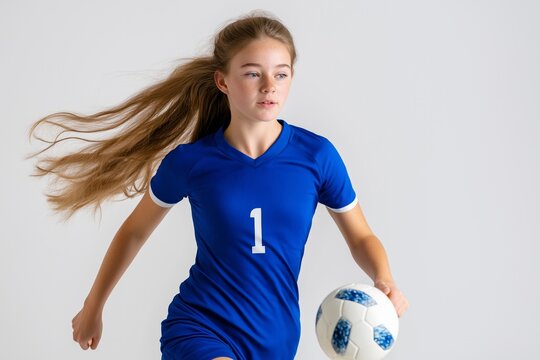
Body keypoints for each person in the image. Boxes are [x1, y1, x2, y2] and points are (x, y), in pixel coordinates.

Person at [26, 10, 409, 360]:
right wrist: (94, 305)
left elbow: (361, 237)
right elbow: (133, 233)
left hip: (275, 339)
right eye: (252, 73)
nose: (268, 86)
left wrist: (384, 278)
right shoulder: (191, 162)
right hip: (200, 327)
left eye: (281, 73)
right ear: (222, 81)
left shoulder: (316, 156)